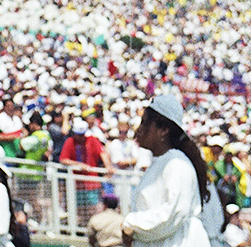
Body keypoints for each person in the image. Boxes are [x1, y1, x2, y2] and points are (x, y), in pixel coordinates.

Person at [121, 95, 210, 247]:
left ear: (163, 130)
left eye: (145, 124)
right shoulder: (161, 162)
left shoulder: (177, 163)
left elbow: (174, 214)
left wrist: (131, 224)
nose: (139, 131)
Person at [61, 117, 113, 223]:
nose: (79, 137)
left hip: (92, 183)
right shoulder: (70, 142)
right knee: (79, 210)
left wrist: (108, 166)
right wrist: (79, 165)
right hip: (77, 184)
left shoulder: (92, 140)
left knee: (94, 209)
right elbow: (63, 159)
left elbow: (102, 153)